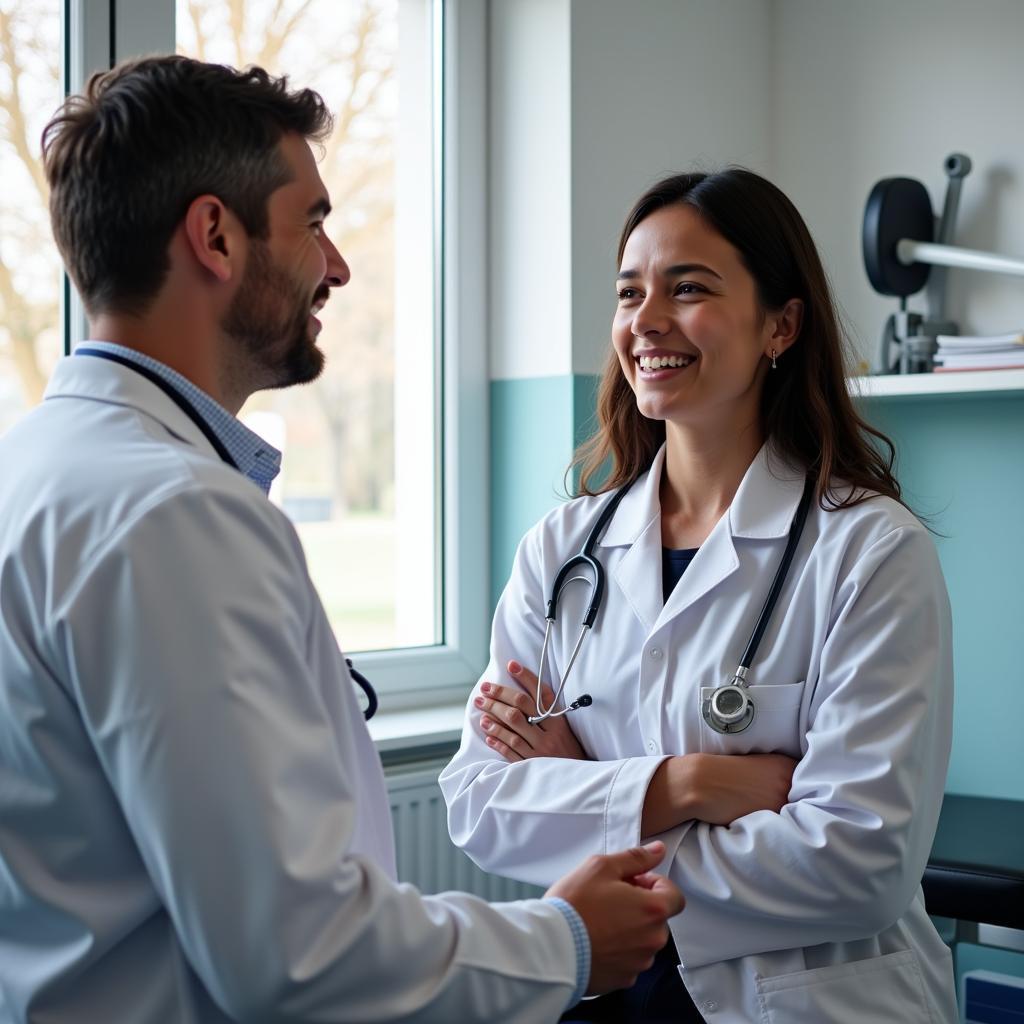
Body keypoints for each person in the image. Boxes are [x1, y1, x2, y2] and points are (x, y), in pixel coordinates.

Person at [0, 56, 685, 1024]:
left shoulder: (36, 467)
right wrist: (565, 941)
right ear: (214, 236)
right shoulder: (174, 513)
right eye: (313, 220)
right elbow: (299, 955)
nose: (338, 264)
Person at [440, 169, 959, 1023]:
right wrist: (688, 783)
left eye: (688, 289)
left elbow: (861, 866)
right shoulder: (564, 548)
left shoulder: (869, 550)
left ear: (781, 326)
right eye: (629, 292)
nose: (646, 321)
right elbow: (481, 804)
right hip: (608, 994)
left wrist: (588, 790)